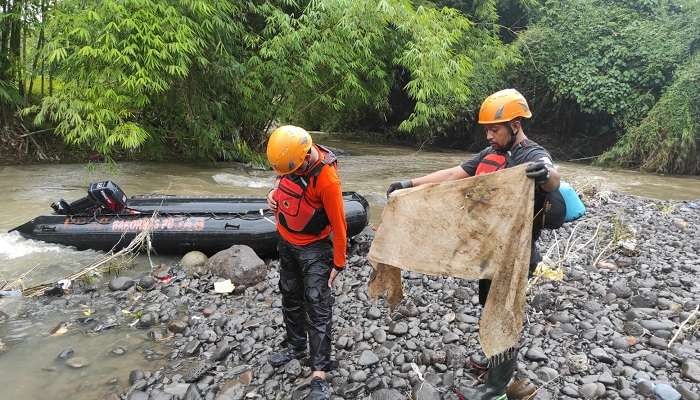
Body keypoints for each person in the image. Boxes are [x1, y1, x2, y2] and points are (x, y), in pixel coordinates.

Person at [386, 89, 561, 399]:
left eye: (495, 128)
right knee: (488, 308)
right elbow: (456, 173)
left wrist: (546, 175)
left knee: (502, 315)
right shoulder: (489, 153)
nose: (489, 134)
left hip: (515, 256)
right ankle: (495, 362)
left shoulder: (532, 154)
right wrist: (409, 185)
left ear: (516, 125)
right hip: (488, 251)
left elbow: (552, 177)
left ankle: (496, 390)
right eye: (487, 129)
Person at [265, 125, 346, 400]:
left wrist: (338, 263)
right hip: (287, 241)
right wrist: (271, 197)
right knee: (289, 293)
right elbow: (279, 185)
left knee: (318, 304)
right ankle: (296, 346)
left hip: (315, 248)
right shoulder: (289, 162)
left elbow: (339, 224)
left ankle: (319, 372)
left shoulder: (327, 180)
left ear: (304, 160)